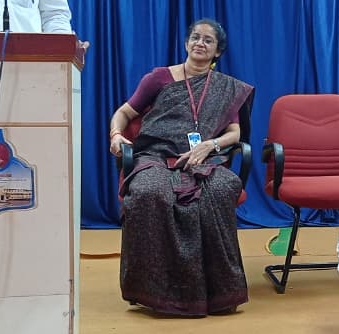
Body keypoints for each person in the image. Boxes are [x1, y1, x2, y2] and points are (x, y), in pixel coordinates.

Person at [107, 19, 253, 317]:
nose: (200, 43)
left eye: (208, 40)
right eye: (195, 37)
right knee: (149, 192)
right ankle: (153, 290)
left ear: (217, 51)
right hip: (154, 156)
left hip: (202, 160)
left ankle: (218, 292)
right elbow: (124, 112)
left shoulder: (225, 87)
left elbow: (235, 133)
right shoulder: (158, 78)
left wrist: (209, 145)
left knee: (220, 189)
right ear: (186, 43)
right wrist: (116, 134)